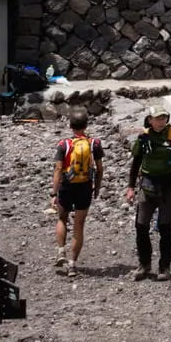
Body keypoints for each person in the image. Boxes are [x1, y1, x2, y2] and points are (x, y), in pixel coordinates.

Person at [124, 103, 171, 280]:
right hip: (147, 185)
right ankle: (144, 264)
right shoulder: (143, 138)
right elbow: (136, 163)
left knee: (166, 227)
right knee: (141, 225)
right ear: (150, 120)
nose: (160, 122)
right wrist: (130, 188)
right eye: (157, 119)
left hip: (167, 186)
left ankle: (164, 267)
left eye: (163, 118)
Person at [51, 113, 100, 277]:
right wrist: (97, 187)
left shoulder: (64, 144)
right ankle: (72, 265)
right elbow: (100, 168)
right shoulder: (94, 144)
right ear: (86, 126)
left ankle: (60, 252)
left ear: (70, 126)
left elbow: (58, 169)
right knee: (79, 224)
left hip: (66, 186)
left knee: (62, 218)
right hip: (85, 187)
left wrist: (54, 192)